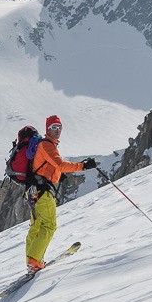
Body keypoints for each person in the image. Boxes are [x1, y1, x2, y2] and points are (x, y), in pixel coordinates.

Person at [25, 115, 97, 271]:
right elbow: (60, 163)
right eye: (54, 127)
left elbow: (47, 166)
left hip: (32, 191)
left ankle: (32, 261)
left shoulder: (43, 145)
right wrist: (83, 166)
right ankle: (35, 261)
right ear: (47, 129)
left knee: (36, 226)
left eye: (59, 128)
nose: (57, 131)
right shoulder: (47, 145)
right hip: (42, 192)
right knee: (49, 226)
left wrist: (57, 175)